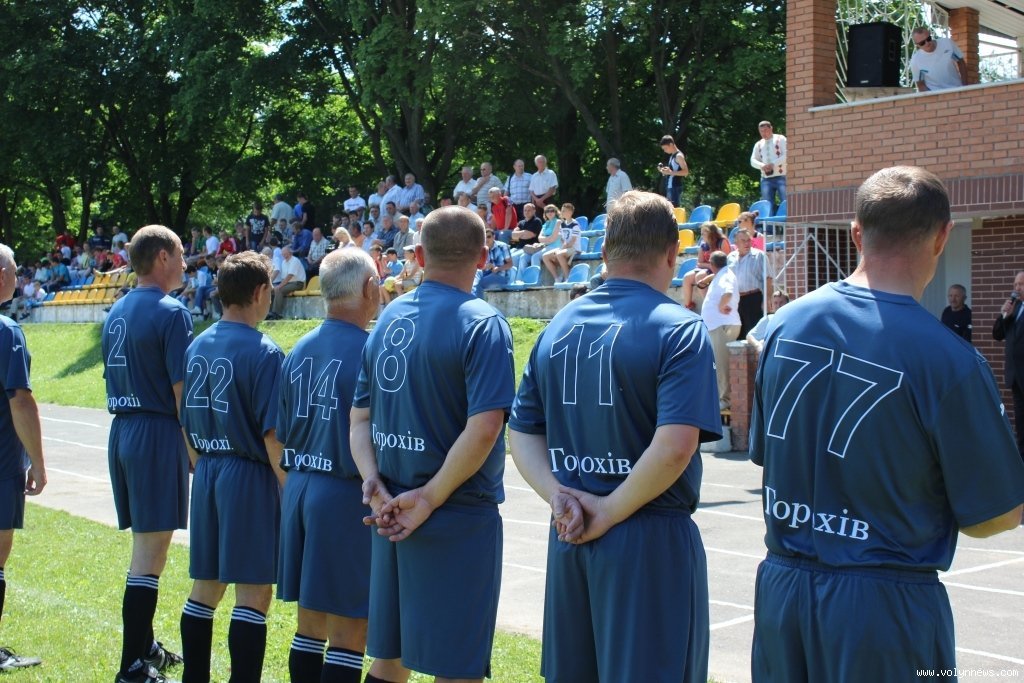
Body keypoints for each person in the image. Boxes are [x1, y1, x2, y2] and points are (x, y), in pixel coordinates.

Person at [751, 166, 1024, 683]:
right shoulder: (950, 361)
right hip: (885, 607)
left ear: (857, 233)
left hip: (781, 592)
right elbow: (996, 514)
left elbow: (769, 456)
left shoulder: (783, 326)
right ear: (942, 237)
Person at [509, 190, 721, 683]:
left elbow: (521, 432)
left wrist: (561, 497)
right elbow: (676, 446)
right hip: (648, 538)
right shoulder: (680, 329)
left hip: (571, 532)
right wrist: (606, 510)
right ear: (672, 254)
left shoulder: (557, 326)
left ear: (603, 253)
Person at [351, 205, 515, 683]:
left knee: (390, 659)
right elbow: (485, 427)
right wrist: (428, 498)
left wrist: (373, 483)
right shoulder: (483, 323)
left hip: (390, 509)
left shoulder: (386, 317)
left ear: (419, 256)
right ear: (483, 257)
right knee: (456, 665)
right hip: (455, 512)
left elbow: (359, 419)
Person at [277, 248, 389, 683]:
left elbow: (281, 431)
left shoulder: (298, 348)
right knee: (349, 631)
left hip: (300, 488)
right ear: (369, 288)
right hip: (343, 495)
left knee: (309, 624)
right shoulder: (370, 349)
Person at [178, 251, 285, 683]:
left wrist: (203, 464)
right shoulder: (265, 352)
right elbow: (272, 436)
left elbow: (184, 418)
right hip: (248, 475)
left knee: (206, 586)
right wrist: (288, 489)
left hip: (207, 470)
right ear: (259, 292)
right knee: (254, 591)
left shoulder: (196, 345)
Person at [102, 225, 191, 683]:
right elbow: (181, 392)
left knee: (146, 547)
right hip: (155, 432)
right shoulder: (171, 312)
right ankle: (131, 667)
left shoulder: (116, 310)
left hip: (122, 430)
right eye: (180, 253)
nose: (185, 262)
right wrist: (195, 450)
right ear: (161, 257)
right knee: (149, 555)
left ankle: (146, 647)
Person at [0, 243, 47, 670]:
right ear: (2, 276)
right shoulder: (7, 331)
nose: (19, 277)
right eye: (16, 270)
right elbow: (20, 401)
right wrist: (38, 463)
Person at [701, 251, 739, 410]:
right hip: (718, 325)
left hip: (722, 325)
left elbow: (728, 292)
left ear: (712, 264)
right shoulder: (722, 274)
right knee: (718, 363)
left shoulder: (725, 276)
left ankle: (726, 399)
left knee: (722, 364)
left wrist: (721, 306)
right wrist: (707, 279)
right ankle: (722, 397)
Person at [993, 270, 1024, 457]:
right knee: (1020, 423)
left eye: (1021, 284)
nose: (1017, 288)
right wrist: (1004, 315)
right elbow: (997, 335)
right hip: (1016, 378)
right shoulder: (1015, 308)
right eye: (1015, 285)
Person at [728, 227, 772, 338]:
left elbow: (768, 278)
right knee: (738, 336)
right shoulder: (730, 257)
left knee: (753, 334)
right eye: (743, 240)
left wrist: (766, 300)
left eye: (748, 240)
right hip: (736, 300)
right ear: (736, 242)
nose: (746, 243)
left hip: (753, 299)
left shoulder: (759, 255)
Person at [681, 222, 732, 311]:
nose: (702, 236)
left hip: (720, 269)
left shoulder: (722, 242)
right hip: (708, 267)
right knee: (687, 277)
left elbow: (727, 260)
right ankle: (688, 306)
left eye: (703, 234)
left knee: (700, 276)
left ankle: (709, 304)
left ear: (710, 233)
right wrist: (709, 265)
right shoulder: (704, 245)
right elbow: (699, 263)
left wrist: (711, 265)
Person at [910, 27, 967, 92]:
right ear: (917, 45)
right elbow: (920, 84)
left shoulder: (947, 43)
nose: (927, 43)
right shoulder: (915, 60)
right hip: (935, 93)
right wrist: (930, 97)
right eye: (922, 43)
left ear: (930, 34)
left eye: (928, 39)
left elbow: (961, 62)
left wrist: (964, 87)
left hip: (956, 89)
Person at [750, 121, 787, 207]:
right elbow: (752, 160)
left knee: (786, 201)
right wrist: (762, 166)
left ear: (771, 128)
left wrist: (773, 164)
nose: (764, 133)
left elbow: (787, 154)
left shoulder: (780, 139)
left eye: (766, 130)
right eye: (761, 131)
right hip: (766, 178)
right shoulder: (758, 144)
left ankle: (787, 215)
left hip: (781, 175)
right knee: (767, 204)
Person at [541, 203, 581, 283]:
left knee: (559, 254)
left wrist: (562, 249)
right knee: (545, 256)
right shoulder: (562, 224)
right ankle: (557, 278)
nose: (561, 212)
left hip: (574, 248)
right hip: (565, 248)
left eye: (563, 211)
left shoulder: (575, 224)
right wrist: (562, 247)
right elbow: (562, 239)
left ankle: (567, 278)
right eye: (562, 210)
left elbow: (573, 241)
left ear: (570, 212)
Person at [745, 289, 790, 355]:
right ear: (771, 306)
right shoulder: (768, 320)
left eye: (781, 302)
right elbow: (749, 336)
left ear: (787, 304)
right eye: (775, 303)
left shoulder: (792, 320)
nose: (778, 305)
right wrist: (758, 345)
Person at [269, 246, 306, 320]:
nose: (283, 255)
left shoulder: (295, 260)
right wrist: (277, 286)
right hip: (288, 283)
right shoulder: (283, 262)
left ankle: (276, 313)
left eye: (285, 253)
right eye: (282, 254)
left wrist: (279, 286)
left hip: (298, 283)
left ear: (290, 252)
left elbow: (289, 276)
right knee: (271, 291)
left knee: (279, 290)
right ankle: (269, 313)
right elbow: (284, 278)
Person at [473, 229, 513, 297]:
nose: (486, 239)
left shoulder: (502, 246)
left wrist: (498, 268)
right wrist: (486, 266)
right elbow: (479, 267)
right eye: (484, 237)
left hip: (501, 276)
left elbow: (510, 264)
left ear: (494, 237)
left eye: (489, 237)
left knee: (479, 284)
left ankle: (478, 301)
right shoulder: (483, 249)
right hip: (488, 274)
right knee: (475, 277)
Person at [658, 135, 688, 207]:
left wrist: (670, 172)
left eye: (665, 148)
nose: (665, 151)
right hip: (670, 187)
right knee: (670, 209)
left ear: (671, 144)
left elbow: (685, 172)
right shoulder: (672, 156)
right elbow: (672, 171)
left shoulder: (679, 156)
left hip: (675, 187)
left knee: (674, 210)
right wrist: (664, 171)